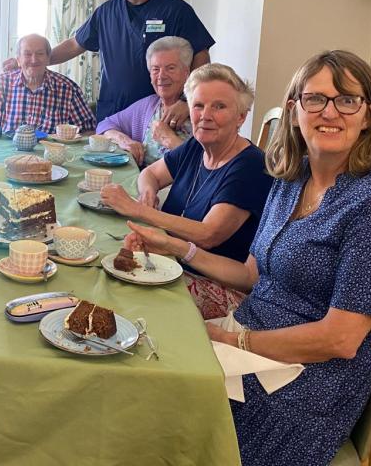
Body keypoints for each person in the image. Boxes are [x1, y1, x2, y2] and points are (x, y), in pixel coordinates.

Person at [124, 51, 371, 466]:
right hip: (250, 338)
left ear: (368, 115)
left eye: (346, 100)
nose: (329, 111)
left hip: (304, 383)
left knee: (157, 403)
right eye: (315, 98)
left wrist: (231, 340)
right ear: (296, 109)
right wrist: (173, 246)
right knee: (137, 356)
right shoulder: (289, 178)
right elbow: (249, 275)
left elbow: (341, 339)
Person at [100, 63, 273, 319]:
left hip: (220, 286)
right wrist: (148, 196)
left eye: (219, 106)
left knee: (122, 298)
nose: (206, 115)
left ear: (241, 116)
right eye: (199, 105)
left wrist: (138, 211)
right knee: (104, 267)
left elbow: (208, 234)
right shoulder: (197, 146)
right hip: (176, 261)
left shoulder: (250, 165)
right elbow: (150, 174)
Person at [41, 0, 214, 122]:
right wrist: (33, 60)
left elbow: (201, 56)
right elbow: (75, 44)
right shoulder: (105, 12)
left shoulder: (176, 10)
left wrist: (187, 100)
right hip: (113, 115)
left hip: (161, 115)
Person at [96, 36, 194, 167]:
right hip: (145, 185)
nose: (161, 76)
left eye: (170, 68)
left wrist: (169, 139)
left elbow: (206, 166)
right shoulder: (149, 105)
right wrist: (125, 141)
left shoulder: (201, 111)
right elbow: (105, 125)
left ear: (186, 73)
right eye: (155, 69)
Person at [0, 34, 95, 134]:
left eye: (40, 54)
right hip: (7, 155)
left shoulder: (68, 89)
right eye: (27, 54)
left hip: (51, 155)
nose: (34, 60)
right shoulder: (0, 84)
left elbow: (88, 131)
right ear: (18, 59)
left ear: (48, 58)